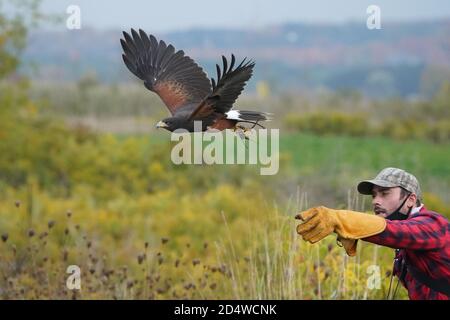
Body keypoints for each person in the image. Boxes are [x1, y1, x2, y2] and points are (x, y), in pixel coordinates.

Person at [296, 167, 450, 300]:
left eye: (384, 193)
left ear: (410, 199)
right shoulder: (408, 238)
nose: (376, 201)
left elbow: (395, 231)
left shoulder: (433, 224)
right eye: (374, 195)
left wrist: (340, 219)